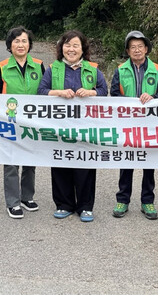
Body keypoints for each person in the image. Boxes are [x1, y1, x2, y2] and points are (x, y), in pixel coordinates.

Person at [38, 30, 108, 222]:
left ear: (82, 49)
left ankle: (85, 206)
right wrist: (59, 93)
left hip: (86, 127)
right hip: (60, 126)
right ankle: (64, 204)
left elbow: (104, 90)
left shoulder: (93, 69)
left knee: (85, 165)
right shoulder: (53, 69)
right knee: (61, 163)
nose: (71, 49)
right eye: (67, 45)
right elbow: (41, 91)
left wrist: (91, 92)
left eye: (75, 45)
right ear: (61, 48)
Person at [110, 30, 158, 220]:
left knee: (149, 163)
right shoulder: (120, 70)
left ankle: (147, 201)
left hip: (151, 124)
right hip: (128, 124)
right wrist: (129, 103)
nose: (137, 50)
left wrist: (153, 97)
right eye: (132, 47)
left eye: (140, 46)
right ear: (127, 51)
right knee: (126, 162)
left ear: (146, 49)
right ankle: (123, 199)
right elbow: (114, 94)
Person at [0, 26, 45, 219]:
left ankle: (27, 197)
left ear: (29, 44)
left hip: (33, 122)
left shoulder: (39, 65)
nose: (20, 45)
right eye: (16, 41)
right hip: (10, 122)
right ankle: (13, 202)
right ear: (10, 45)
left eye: (24, 41)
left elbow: (45, 92)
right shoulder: (3, 67)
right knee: (11, 163)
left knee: (30, 161)